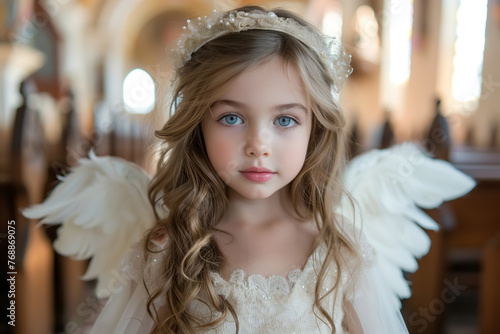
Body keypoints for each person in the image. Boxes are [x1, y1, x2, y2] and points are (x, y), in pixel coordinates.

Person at [23, 6, 476, 333]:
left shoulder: (338, 251)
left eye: (284, 120)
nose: (258, 145)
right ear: (197, 125)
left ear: (315, 130)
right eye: (232, 118)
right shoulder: (171, 244)